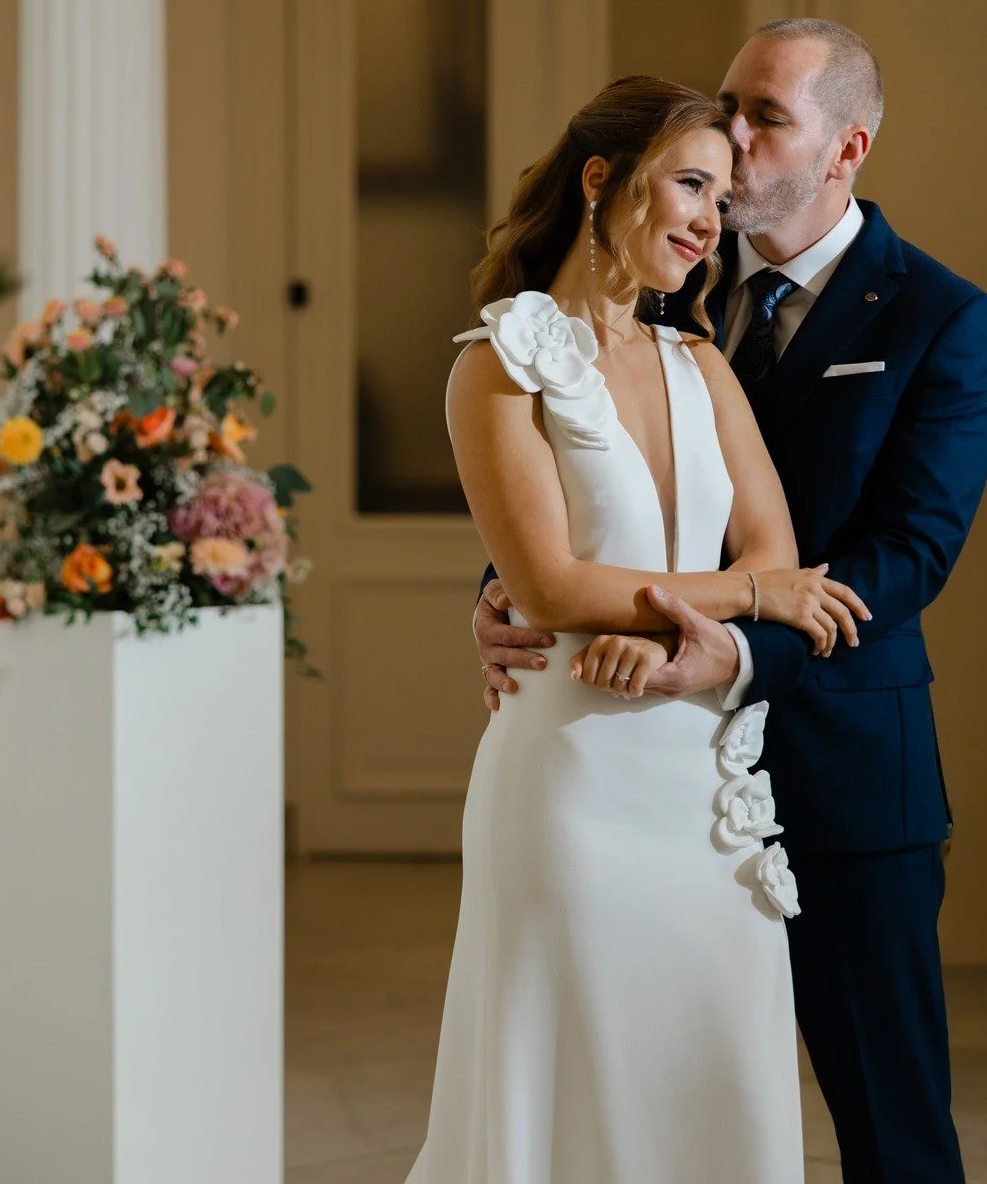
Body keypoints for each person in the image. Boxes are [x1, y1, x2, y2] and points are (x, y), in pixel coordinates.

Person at [472, 19, 987, 1183]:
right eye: (727, 108)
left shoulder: (938, 316)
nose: (735, 140)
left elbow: (907, 552)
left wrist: (741, 651)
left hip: (841, 763)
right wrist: (508, 592)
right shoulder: (666, 279)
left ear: (844, 148)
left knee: (893, 1132)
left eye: (768, 118)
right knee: (651, 1104)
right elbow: (580, 485)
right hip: (633, 757)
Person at [411, 74, 872, 1180]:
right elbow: (553, 586)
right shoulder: (495, 366)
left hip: (703, 772)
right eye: (689, 184)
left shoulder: (698, 362)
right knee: (575, 1080)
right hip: (571, 781)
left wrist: (674, 631)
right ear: (600, 180)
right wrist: (743, 600)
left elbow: (773, 542)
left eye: (722, 194)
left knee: (708, 1068)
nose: (711, 219)